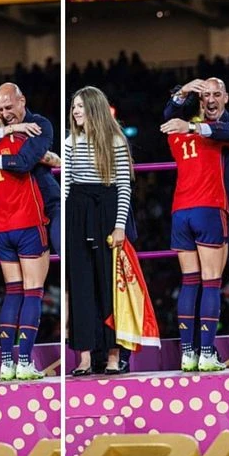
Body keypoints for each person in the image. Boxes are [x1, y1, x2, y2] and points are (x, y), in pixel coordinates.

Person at [161, 78, 229, 369]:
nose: (211, 99)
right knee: (201, 282)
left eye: (216, 94)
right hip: (205, 208)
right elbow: (169, 118)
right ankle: (197, 349)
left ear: (226, 97)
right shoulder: (189, 124)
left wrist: (194, 128)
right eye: (205, 95)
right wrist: (181, 91)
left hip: (228, 210)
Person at [0, 83, 60, 348]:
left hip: (44, 202)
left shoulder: (39, 124)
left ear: (22, 101)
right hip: (7, 210)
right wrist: (9, 129)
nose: (6, 113)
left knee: (66, 252)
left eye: (9, 108)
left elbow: (25, 162)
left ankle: (78, 328)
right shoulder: (2, 128)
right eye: (0, 109)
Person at [64, 86, 133, 376]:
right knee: (80, 288)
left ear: (94, 108)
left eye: (81, 106)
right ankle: (84, 358)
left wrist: (119, 226)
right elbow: (66, 185)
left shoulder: (115, 140)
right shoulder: (70, 141)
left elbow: (124, 187)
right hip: (78, 211)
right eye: (74, 106)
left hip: (106, 209)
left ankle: (114, 356)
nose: (76, 111)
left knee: (109, 287)